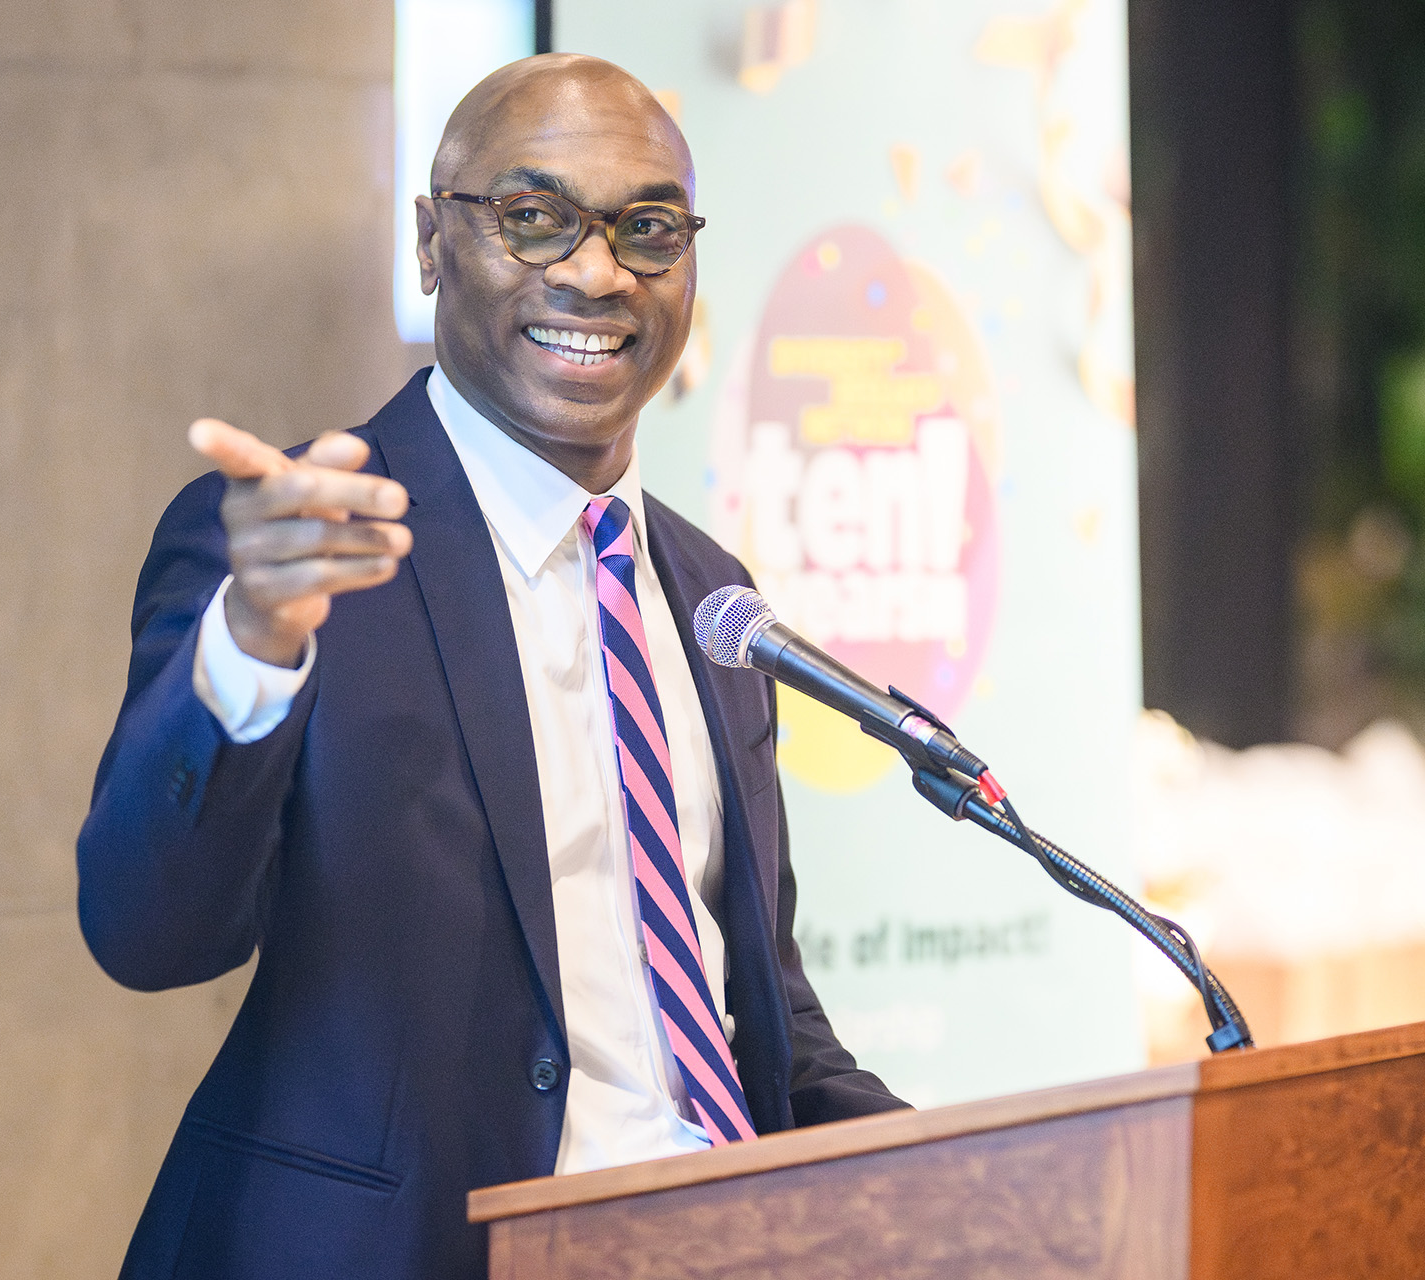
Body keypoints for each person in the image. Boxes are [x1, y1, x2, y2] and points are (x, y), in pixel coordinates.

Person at [77, 52, 904, 1280]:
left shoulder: (710, 594)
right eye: (532, 217)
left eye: (648, 229)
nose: (596, 272)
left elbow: (759, 1010)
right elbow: (148, 933)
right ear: (432, 244)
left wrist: (982, 1178)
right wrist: (250, 642)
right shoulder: (304, 552)